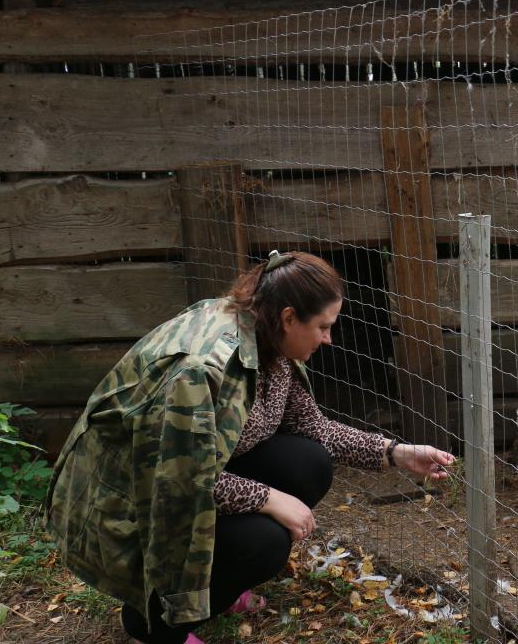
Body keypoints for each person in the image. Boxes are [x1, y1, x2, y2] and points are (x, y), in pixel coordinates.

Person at [45, 251, 455, 644]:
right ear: (289, 317)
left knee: (307, 463)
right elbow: (177, 482)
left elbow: (311, 427)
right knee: (265, 542)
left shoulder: (268, 339)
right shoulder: (201, 371)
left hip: (188, 483)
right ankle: (151, 626)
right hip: (129, 512)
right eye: (323, 327)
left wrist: (395, 453)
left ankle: (211, 591)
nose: (329, 339)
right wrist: (268, 498)